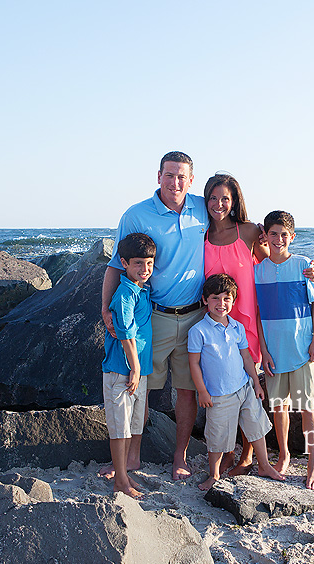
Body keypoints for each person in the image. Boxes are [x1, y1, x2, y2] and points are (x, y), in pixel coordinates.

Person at [203, 173, 314, 477]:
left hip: (249, 323)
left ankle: (248, 455)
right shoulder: (200, 234)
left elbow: (274, 263)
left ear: (235, 200)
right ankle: (228, 454)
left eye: (225, 198)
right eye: (213, 198)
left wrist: (310, 270)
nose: (219, 204)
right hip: (215, 320)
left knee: (249, 391)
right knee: (222, 386)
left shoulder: (251, 231)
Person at [101, 151, 208, 481]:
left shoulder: (204, 208)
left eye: (182, 177)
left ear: (191, 180)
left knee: (187, 391)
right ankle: (132, 458)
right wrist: (105, 309)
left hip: (195, 316)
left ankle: (180, 457)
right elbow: (116, 265)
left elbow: (241, 226)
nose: (175, 182)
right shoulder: (135, 215)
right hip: (155, 317)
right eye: (169, 174)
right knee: (142, 388)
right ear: (158, 176)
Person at [187, 274, 284, 491]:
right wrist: (202, 391)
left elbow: (247, 357)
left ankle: (265, 466)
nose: (221, 304)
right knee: (217, 435)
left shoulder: (237, 327)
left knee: (256, 426)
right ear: (205, 300)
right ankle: (213, 474)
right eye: (215, 298)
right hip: (218, 394)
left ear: (233, 300)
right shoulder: (198, 331)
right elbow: (194, 364)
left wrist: (256, 384)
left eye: (226, 299)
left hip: (244, 388)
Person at [255, 210, 314, 490]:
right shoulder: (258, 270)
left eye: (284, 235)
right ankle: (283, 454)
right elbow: (258, 314)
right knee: (279, 407)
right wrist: (264, 350)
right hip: (274, 350)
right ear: (266, 236)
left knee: (308, 408)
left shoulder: (304, 265)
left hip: (303, 350)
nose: (279, 239)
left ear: (292, 237)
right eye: (273, 234)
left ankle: (313, 464)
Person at [101, 233, 155, 498]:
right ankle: (120, 479)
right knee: (120, 427)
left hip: (138, 370)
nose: (144, 270)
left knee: (134, 424)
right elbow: (125, 332)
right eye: (138, 264)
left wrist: (139, 369)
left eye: (149, 264)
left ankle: (127, 471)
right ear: (123, 262)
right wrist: (134, 367)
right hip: (121, 370)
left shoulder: (142, 289)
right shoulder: (124, 294)